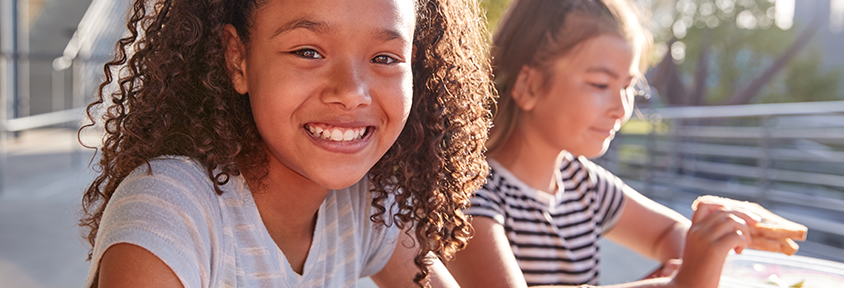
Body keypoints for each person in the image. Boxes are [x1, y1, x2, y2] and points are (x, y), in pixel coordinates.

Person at [77, 0, 492, 287]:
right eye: (308, 51)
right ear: (237, 58)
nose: (352, 92)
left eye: (384, 58)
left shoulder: (366, 205)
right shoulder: (170, 208)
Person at [445, 0, 758, 287]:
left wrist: (697, 253)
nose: (621, 109)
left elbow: (671, 232)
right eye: (600, 84)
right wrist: (677, 284)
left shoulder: (584, 184)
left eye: (627, 86)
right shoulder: (470, 197)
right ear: (528, 86)